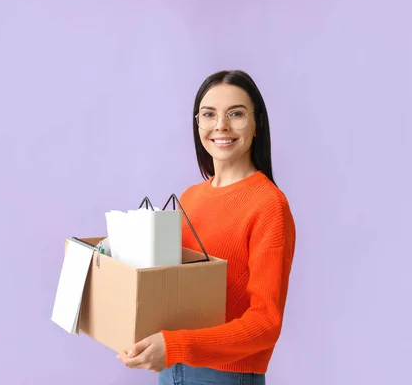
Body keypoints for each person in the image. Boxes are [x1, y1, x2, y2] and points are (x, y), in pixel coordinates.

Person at [117, 70, 296, 384]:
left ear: (258, 125)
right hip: (171, 370)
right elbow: (172, 289)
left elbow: (265, 323)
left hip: (224, 377)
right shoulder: (189, 198)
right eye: (209, 114)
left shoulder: (268, 205)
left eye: (236, 114)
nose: (221, 125)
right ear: (197, 123)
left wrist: (176, 346)